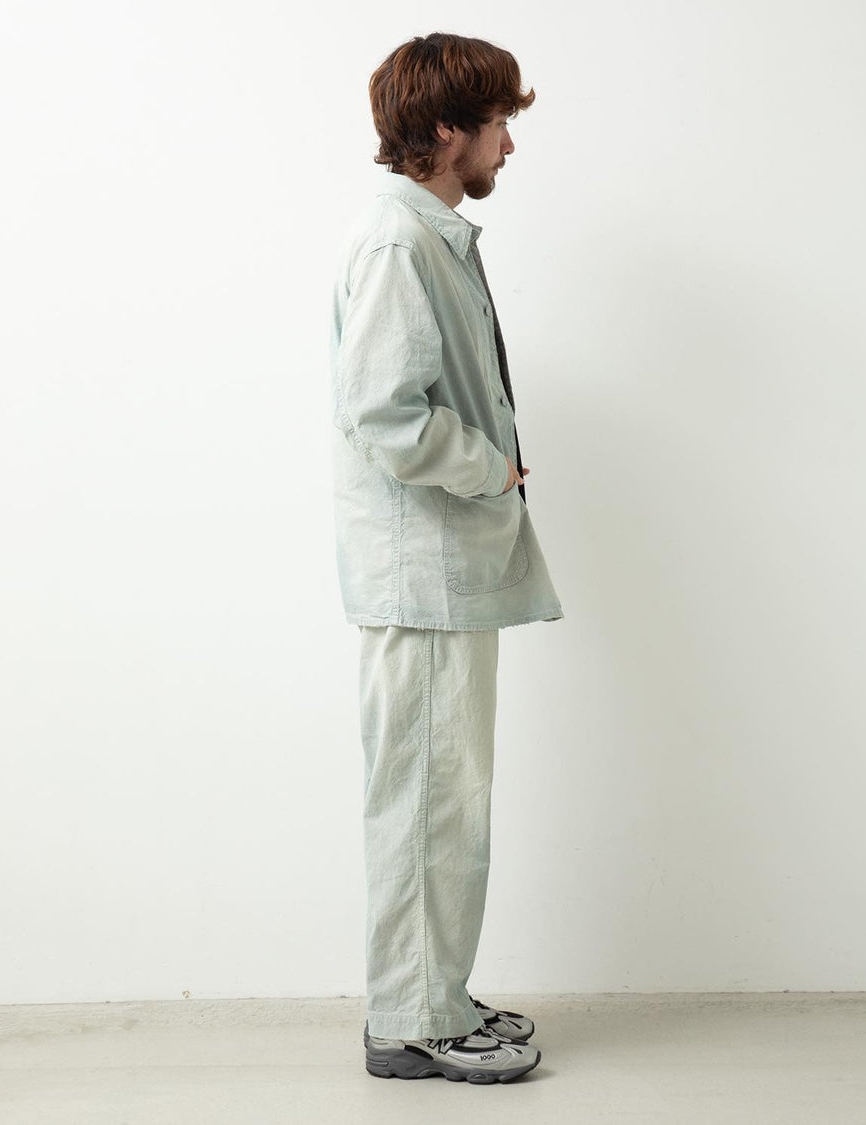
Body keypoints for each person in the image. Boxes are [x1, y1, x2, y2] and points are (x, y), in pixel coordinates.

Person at [327, 32, 564, 1083]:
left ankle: (433, 995)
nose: (510, 142)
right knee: (429, 803)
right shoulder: (399, 242)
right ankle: (413, 1018)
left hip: (443, 572)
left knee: (444, 801)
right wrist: (488, 466)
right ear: (443, 130)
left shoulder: (429, 235)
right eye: (499, 121)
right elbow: (382, 411)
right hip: (422, 575)